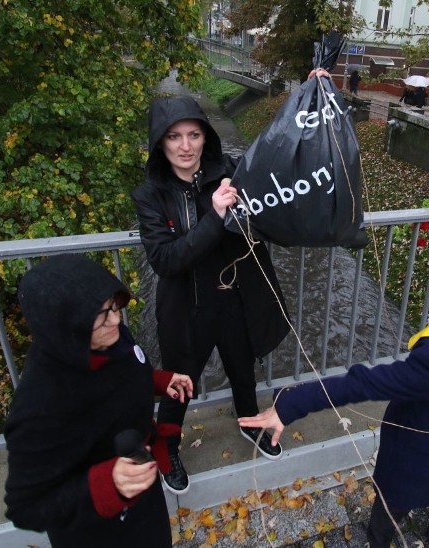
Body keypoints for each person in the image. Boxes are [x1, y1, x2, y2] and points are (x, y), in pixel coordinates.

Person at [239, 270, 429, 547]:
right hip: (410, 449)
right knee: (394, 503)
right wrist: (292, 404)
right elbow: (363, 383)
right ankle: (378, 539)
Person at [132, 95, 290, 495]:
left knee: (242, 370)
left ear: (206, 137)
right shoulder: (150, 195)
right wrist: (215, 216)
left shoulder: (230, 172)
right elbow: (167, 260)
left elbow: (279, 164)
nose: (185, 146)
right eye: (174, 137)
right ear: (160, 143)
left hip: (234, 298)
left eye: (194, 134)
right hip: (187, 309)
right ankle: (167, 447)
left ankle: (249, 423)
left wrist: (309, 101)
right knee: (179, 383)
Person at [4, 254, 194, 547]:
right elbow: (26, 507)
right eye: (104, 315)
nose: (116, 319)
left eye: (114, 307)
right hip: (97, 530)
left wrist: (158, 380)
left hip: (142, 492)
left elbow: (124, 368)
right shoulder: (40, 407)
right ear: (67, 326)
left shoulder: (108, 335)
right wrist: (107, 485)